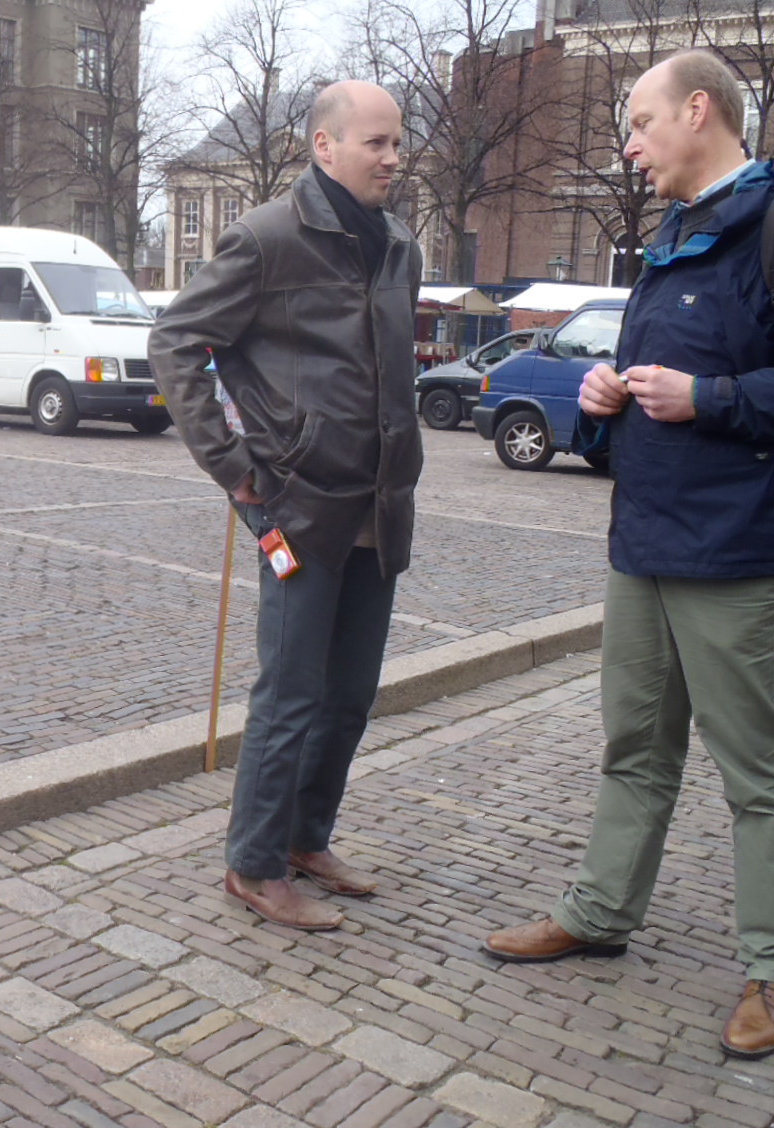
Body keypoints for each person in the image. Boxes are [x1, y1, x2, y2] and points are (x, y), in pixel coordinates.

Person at [485, 49, 774, 1056]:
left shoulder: (765, 225)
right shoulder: (669, 236)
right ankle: (600, 912)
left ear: (699, 111)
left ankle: (770, 969)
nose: (628, 145)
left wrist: (710, 398)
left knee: (758, 774)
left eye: (640, 122)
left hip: (736, 552)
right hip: (643, 540)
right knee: (635, 750)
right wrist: (604, 394)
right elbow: (660, 376)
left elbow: (717, 389)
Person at [150, 79, 423, 934]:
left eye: (398, 141)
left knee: (350, 694)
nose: (392, 157)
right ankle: (255, 863)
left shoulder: (399, 246)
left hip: (380, 501)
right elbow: (176, 341)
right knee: (292, 692)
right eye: (376, 142)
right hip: (297, 506)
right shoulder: (268, 238)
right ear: (324, 145)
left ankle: (307, 839)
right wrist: (232, 467)